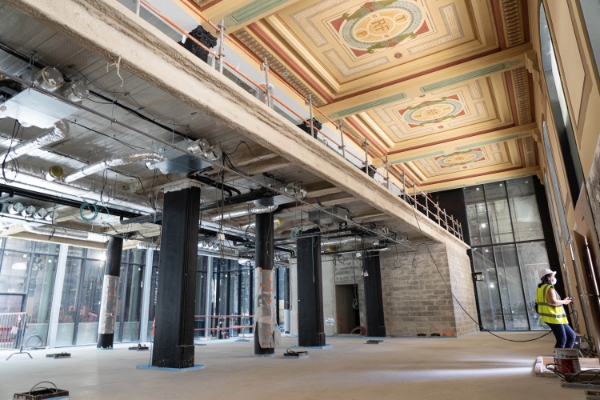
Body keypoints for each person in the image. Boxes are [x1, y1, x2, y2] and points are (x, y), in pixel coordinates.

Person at [536, 268, 575, 348]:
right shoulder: (549, 288)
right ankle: (559, 359)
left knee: (571, 336)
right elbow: (553, 301)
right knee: (562, 340)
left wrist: (562, 301)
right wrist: (564, 302)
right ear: (548, 277)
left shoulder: (540, 289)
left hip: (555, 317)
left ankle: (565, 357)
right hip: (554, 317)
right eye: (553, 276)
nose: (554, 278)